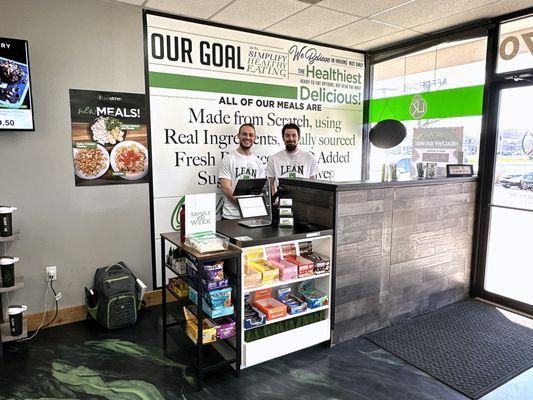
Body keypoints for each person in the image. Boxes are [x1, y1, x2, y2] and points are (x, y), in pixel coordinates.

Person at [218, 124, 265, 219]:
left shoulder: (258, 162)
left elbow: (259, 190)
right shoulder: (229, 159)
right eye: (244, 134)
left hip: (252, 216)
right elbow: (225, 187)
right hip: (231, 217)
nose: (247, 138)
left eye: (251, 135)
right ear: (238, 136)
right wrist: (243, 205)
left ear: (254, 138)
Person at [266, 123, 319, 195]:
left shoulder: (309, 158)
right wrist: (273, 201)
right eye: (287, 135)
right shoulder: (273, 159)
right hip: (282, 203)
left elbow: (314, 185)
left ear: (299, 138)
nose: (291, 139)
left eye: (294, 135)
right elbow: (270, 184)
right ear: (283, 138)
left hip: (303, 202)